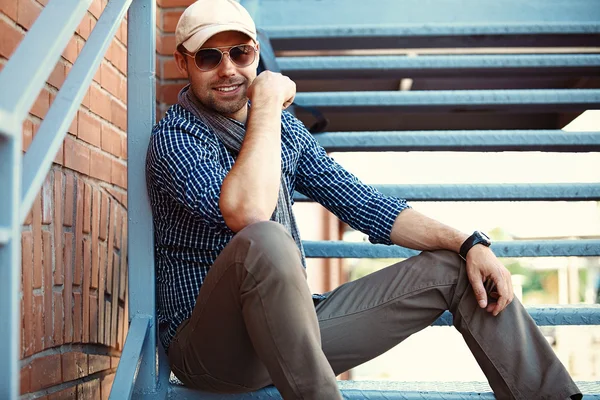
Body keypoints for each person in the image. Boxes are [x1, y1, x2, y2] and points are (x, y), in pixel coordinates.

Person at [145, 0, 582, 398]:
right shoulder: (176, 137)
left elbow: (369, 207)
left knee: (454, 265)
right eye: (209, 57)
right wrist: (266, 104)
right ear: (183, 61)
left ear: (256, 54)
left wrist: (470, 242)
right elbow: (249, 212)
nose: (228, 70)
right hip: (213, 352)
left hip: (295, 329)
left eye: (240, 54)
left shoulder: (287, 133)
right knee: (266, 240)